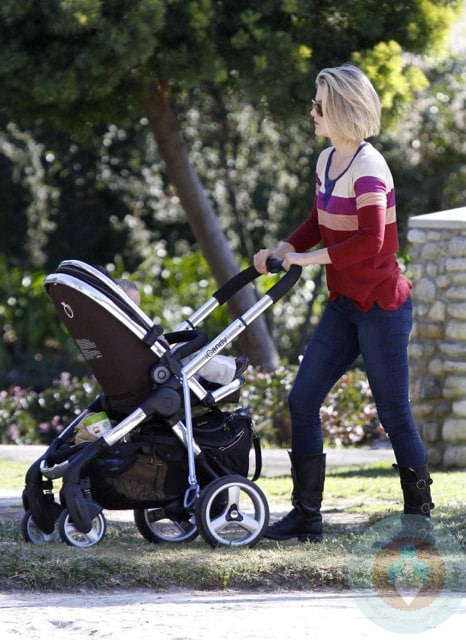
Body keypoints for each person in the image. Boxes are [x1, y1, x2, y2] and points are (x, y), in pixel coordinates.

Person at [254, 64, 434, 544]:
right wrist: (283, 249)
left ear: (337, 109)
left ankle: (420, 523)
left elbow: (372, 242)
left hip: (382, 306)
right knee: (303, 399)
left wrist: (308, 260)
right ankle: (306, 518)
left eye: (318, 105)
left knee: (393, 413)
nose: (311, 112)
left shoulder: (371, 169)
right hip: (343, 305)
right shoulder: (327, 160)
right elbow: (317, 220)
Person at [116, 278, 248, 385]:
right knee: (191, 356)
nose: (138, 312)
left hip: (141, 370)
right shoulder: (126, 328)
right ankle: (229, 370)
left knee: (185, 361)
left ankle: (210, 380)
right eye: (133, 306)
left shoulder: (109, 335)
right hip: (148, 370)